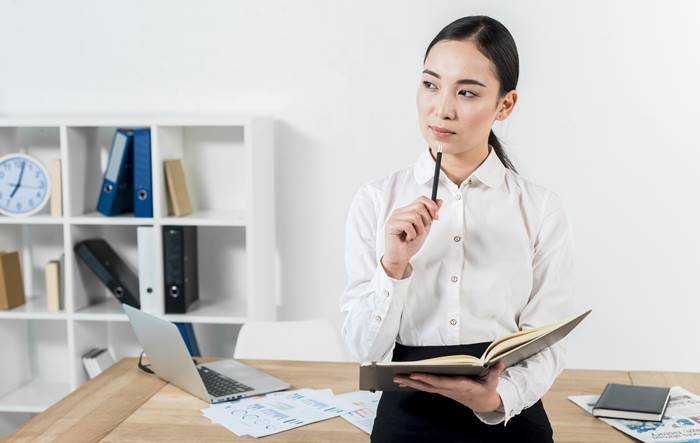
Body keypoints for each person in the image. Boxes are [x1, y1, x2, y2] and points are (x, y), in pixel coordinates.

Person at [340, 15, 575, 442]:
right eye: (431, 85)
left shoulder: (539, 208)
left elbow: (549, 340)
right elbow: (364, 350)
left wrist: (496, 399)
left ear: (505, 105)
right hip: (407, 415)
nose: (442, 108)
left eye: (466, 92)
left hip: (509, 412)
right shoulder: (376, 201)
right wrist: (393, 267)